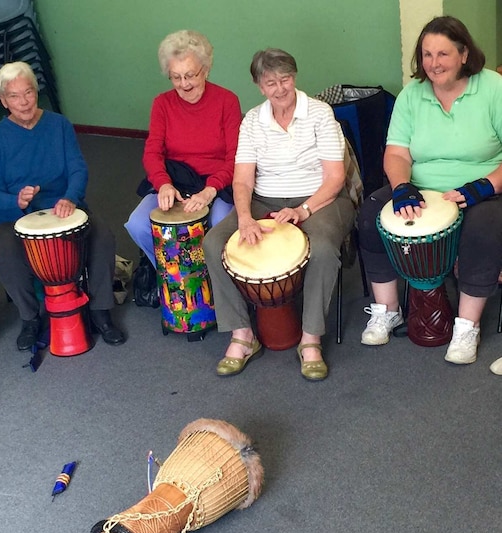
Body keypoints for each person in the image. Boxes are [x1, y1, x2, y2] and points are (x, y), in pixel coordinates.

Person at [202, 48, 355, 381]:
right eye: (271, 82)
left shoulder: (319, 113)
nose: (280, 88)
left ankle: (311, 339)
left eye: (285, 79)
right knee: (214, 244)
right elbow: (242, 178)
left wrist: (304, 209)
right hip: (264, 198)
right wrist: (244, 217)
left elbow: (335, 178)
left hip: (320, 198)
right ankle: (243, 335)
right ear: (260, 86)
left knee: (324, 249)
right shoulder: (253, 120)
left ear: (294, 77)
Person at [357, 16, 502, 365]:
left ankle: (467, 326)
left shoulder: (493, 88)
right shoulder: (412, 95)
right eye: (426, 54)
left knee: (482, 229)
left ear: (464, 53)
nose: (434, 63)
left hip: (484, 189)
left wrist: (486, 185)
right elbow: (396, 153)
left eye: (443, 54)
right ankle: (387, 309)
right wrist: (402, 185)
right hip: (422, 188)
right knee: (370, 215)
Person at [0, 61, 125, 350]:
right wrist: (16, 200)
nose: (23, 102)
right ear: (2, 101)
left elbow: (77, 169)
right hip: (13, 215)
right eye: (14, 96)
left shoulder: (59, 125)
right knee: (7, 249)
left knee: (102, 236)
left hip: (64, 207)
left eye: (29, 93)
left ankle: (100, 310)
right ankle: (30, 317)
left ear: (37, 93)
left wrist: (70, 197)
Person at [125, 30, 241, 268]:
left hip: (216, 184)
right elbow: (153, 152)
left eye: (190, 75)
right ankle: (174, 277)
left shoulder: (227, 101)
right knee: (137, 224)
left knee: (219, 224)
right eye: (175, 77)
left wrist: (210, 190)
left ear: (206, 70)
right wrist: (163, 183)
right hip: (175, 180)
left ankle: (215, 282)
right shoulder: (162, 104)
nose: (184, 84)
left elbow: (235, 157)